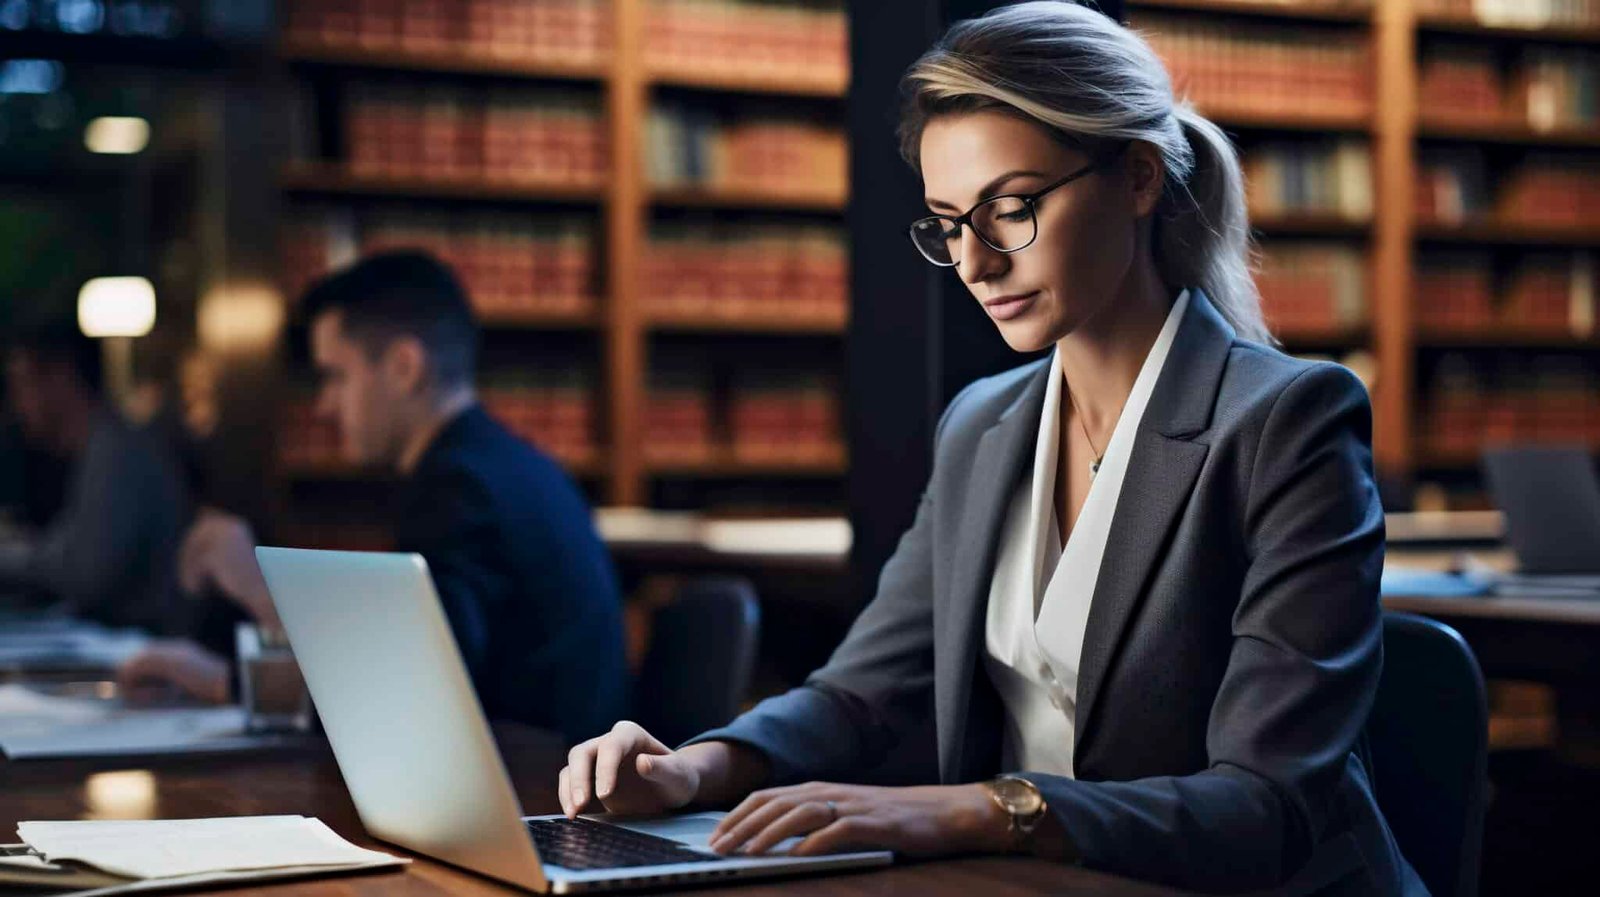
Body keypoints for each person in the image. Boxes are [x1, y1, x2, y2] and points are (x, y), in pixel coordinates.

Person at [557, 4, 1423, 894]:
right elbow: (859, 693)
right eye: (947, 221)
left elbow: (1265, 804)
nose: (974, 262)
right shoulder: (982, 423)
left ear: (1137, 177)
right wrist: (694, 770)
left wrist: (983, 807)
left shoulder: (1290, 420)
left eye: (1010, 209)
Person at [120, 251, 629, 745]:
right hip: (541, 778)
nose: (323, 406)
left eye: (335, 376)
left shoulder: (459, 488)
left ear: (405, 366)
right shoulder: (507, 465)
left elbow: (410, 701)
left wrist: (256, 595)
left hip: (538, 803)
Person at [0, 326, 190, 634]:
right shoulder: (103, 446)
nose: (15, 402)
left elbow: (86, 573)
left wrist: (10, 556)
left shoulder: (117, 452)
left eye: (21, 383)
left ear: (62, 379)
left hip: (145, 648)